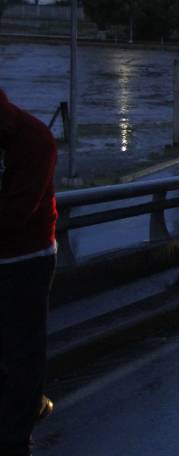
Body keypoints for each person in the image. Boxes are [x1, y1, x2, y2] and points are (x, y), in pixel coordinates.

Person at [0, 88, 58, 456]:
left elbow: (16, 214)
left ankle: (15, 437)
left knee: (23, 349)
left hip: (29, 258)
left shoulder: (35, 139)